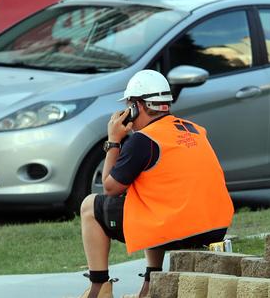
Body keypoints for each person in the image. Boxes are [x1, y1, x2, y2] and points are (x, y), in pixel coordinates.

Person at [78, 70, 234, 298]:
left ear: (136, 106)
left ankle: (99, 286)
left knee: (90, 206)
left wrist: (113, 141)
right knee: (149, 198)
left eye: (129, 104)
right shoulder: (195, 130)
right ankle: (151, 282)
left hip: (178, 229)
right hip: (214, 228)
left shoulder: (143, 140)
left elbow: (110, 188)